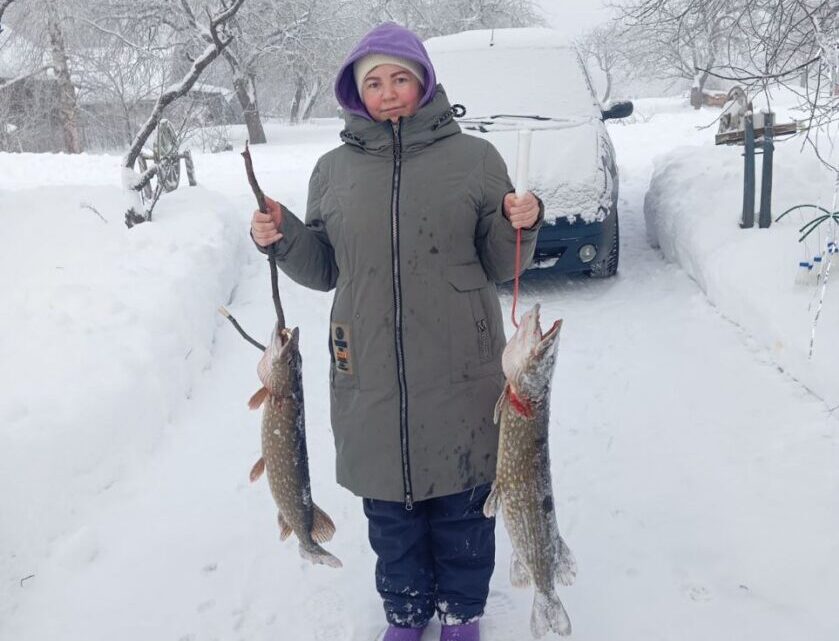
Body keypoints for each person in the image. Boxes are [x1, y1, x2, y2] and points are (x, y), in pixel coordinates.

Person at [250, 22, 542, 641]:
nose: (387, 93)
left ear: (424, 82)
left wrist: (523, 222)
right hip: (370, 372)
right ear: (356, 93)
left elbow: (502, 262)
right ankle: (405, 615)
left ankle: (462, 615)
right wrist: (283, 235)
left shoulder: (476, 160)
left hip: (462, 368)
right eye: (374, 83)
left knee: (465, 510)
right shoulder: (332, 170)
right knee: (390, 513)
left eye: (400, 79)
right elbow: (325, 267)